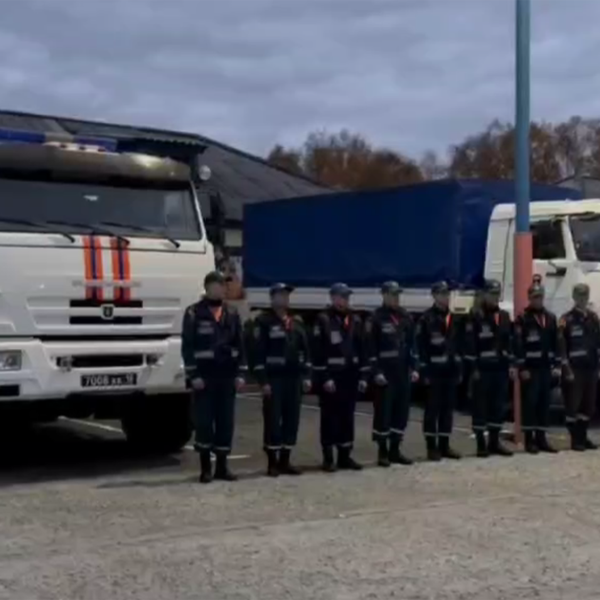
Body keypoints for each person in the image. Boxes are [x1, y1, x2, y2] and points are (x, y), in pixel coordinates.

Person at [181, 270, 247, 483]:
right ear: (208, 287)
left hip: (226, 377)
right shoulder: (193, 313)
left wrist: (241, 373)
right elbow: (187, 347)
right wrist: (193, 375)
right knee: (204, 422)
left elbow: (240, 344)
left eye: (223, 285)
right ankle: (205, 468)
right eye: (218, 285)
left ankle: (222, 467)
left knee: (225, 422)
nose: (222, 289)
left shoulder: (232, 312)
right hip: (204, 378)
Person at [252, 283, 312, 476]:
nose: (284, 298)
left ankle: (285, 460)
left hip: (293, 379)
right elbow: (257, 354)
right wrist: (263, 381)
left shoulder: (296, 323)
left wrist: (306, 376)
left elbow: (305, 352)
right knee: (272, 420)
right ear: (272, 298)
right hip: (274, 379)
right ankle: (272, 462)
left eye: (286, 295)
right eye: (280, 295)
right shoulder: (263, 322)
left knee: (291, 420)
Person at [311, 283, 369, 472]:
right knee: (330, 418)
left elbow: (362, 348)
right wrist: (324, 377)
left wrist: (363, 376)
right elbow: (317, 351)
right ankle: (328, 458)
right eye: (341, 296)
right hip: (332, 378)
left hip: (350, 376)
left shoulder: (355, 319)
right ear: (333, 298)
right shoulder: (323, 319)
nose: (344, 300)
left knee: (347, 417)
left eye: (346, 297)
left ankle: (345, 456)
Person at [366, 281, 418, 467]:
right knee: (383, 413)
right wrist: (376, 372)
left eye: (397, 295)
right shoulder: (376, 318)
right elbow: (370, 348)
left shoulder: (405, 316)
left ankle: (395, 450)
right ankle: (382, 451)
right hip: (385, 374)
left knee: (401, 412)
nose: (396, 298)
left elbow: (412, 344)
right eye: (392, 294)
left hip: (402, 372)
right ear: (384, 295)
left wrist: (414, 367)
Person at [463, 279, 514, 457]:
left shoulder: (504, 316)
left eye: (497, 294)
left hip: (500, 369)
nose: (494, 297)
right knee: (480, 407)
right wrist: (473, 368)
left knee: (498, 407)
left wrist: (511, 364)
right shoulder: (475, 316)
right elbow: (470, 344)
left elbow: (509, 342)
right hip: (482, 370)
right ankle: (481, 445)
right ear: (484, 294)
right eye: (491, 294)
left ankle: (494, 442)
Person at [416, 281, 462, 461]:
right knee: (432, 410)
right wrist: (424, 372)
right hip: (433, 372)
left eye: (447, 294)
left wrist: (459, 370)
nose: (445, 297)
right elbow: (420, 347)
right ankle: (431, 447)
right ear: (434, 296)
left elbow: (459, 345)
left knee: (447, 410)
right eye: (442, 294)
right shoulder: (426, 319)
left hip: (450, 372)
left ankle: (445, 445)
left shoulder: (454, 318)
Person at [514, 280, 560, 454]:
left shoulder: (551, 317)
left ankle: (542, 439)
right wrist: (522, 367)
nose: (538, 300)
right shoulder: (523, 319)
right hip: (530, 369)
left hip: (545, 368)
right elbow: (517, 344)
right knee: (530, 404)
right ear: (529, 298)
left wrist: (556, 365)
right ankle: (529, 440)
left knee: (544, 404)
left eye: (540, 297)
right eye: (534, 297)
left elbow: (556, 342)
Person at [558, 283, 600, 451]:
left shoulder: (593, 318)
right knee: (572, 406)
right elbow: (561, 345)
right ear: (574, 297)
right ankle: (576, 440)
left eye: (585, 296)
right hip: (574, 369)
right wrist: (565, 367)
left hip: (591, 368)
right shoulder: (566, 319)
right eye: (579, 296)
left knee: (588, 406)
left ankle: (582, 437)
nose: (582, 299)